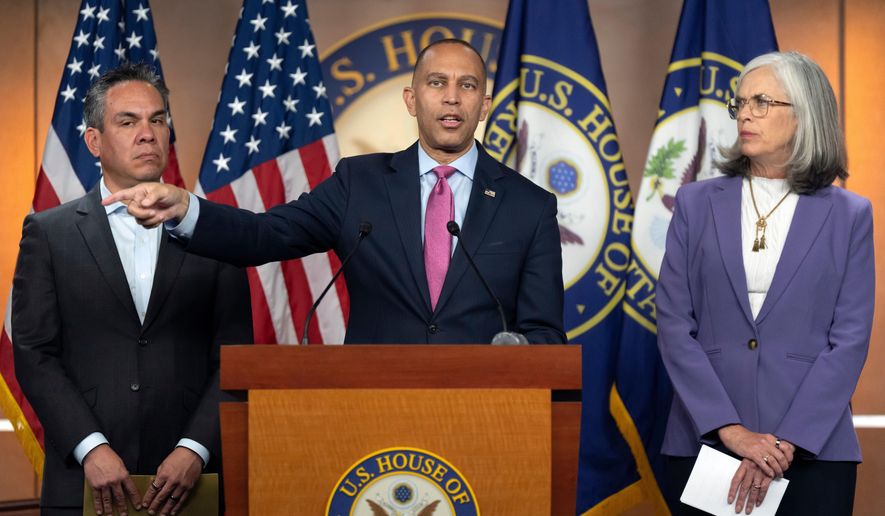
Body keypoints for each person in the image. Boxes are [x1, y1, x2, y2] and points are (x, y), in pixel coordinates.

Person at [105, 39, 566, 345]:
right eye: (436, 83)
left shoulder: (530, 207)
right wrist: (187, 208)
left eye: (467, 85)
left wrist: (516, 352)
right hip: (372, 411)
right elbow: (265, 235)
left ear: (483, 105)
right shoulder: (358, 184)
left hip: (486, 416)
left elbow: (546, 334)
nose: (451, 97)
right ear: (411, 100)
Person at [12, 63, 253, 516]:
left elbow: (235, 358)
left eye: (157, 120)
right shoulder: (49, 233)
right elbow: (34, 354)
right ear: (94, 141)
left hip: (190, 484)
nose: (147, 134)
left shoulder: (214, 229)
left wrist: (194, 449)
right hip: (85, 481)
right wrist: (91, 448)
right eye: (128, 122)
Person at [656, 50, 874, 515]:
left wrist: (783, 444)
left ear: (804, 114)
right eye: (740, 103)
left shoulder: (850, 215)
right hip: (707, 442)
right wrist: (732, 432)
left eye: (762, 102)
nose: (744, 114)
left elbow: (850, 340)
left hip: (812, 448)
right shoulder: (694, 203)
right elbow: (674, 324)